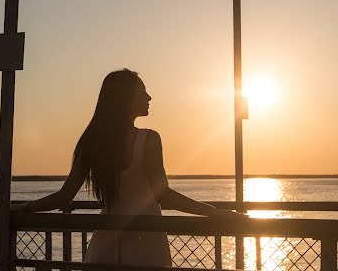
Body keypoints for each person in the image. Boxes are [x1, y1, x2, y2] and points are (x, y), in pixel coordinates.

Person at [12, 68, 243, 267]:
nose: (149, 97)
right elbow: (164, 195)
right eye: (142, 92)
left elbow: (64, 197)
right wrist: (213, 212)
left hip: (105, 245)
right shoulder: (148, 139)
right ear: (126, 98)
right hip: (147, 243)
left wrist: (24, 208)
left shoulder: (93, 141)